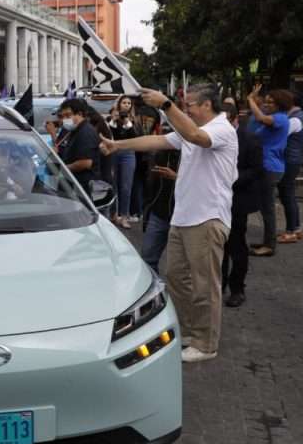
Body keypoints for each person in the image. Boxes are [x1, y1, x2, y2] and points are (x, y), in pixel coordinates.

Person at [101, 85, 238, 363]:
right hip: (183, 218)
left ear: (208, 105)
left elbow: (194, 135)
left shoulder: (221, 129)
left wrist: (165, 105)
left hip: (207, 218)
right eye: (183, 105)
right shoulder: (191, 129)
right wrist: (119, 145)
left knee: (204, 286)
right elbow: (158, 142)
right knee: (176, 278)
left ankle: (206, 342)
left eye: (191, 105)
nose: (186, 109)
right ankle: (187, 332)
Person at [221, 100, 264, 308]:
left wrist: (231, 178)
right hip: (217, 200)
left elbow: (256, 170)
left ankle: (237, 288)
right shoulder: (214, 135)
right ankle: (217, 284)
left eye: (228, 122)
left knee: (236, 245)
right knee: (218, 245)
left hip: (238, 200)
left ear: (236, 119)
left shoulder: (250, 138)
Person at [246, 86, 292, 257]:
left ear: (280, 104)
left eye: (271, 102)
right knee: (265, 208)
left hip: (270, 168)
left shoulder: (280, 119)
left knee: (268, 209)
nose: (267, 105)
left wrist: (250, 99)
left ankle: (269, 245)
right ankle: (267, 242)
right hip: (266, 166)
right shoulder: (273, 118)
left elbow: (259, 116)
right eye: (266, 102)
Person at [140, 125, 179, 273]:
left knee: (178, 269)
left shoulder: (192, 154)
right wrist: (147, 211)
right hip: (159, 213)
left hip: (182, 218)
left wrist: (176, 177)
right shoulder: (159, 156)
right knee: (147, 260)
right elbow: (151, 187)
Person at [46, 98, 100, 194]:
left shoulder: (85, 132)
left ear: (79, 114)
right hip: (72, 185)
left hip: (81, 186)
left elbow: (85, 162)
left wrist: (62, 169)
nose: (65, 119)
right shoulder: (74, 130)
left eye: (68, 115)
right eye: (62, 116)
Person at [276, 94, 303, 246]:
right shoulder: (297, 116)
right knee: (289, 194)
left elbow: (280, 133)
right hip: (293, 159)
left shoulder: (295, 119)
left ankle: (290, 231)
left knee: (287, 194)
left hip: (290, 160)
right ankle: (296, 228)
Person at [107, 96, 141, 229]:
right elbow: (109, 135)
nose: (126, 105)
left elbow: (135, 137)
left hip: (128, 153)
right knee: (113, 184)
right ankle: (114, 214)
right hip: (114, 152)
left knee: (126, 186)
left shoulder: (133, 120)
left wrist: (127, 122)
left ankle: (125, 216)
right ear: (119, 104)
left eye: (129, 103)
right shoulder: (112, 118)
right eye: (124, 102)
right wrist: (113, 121)